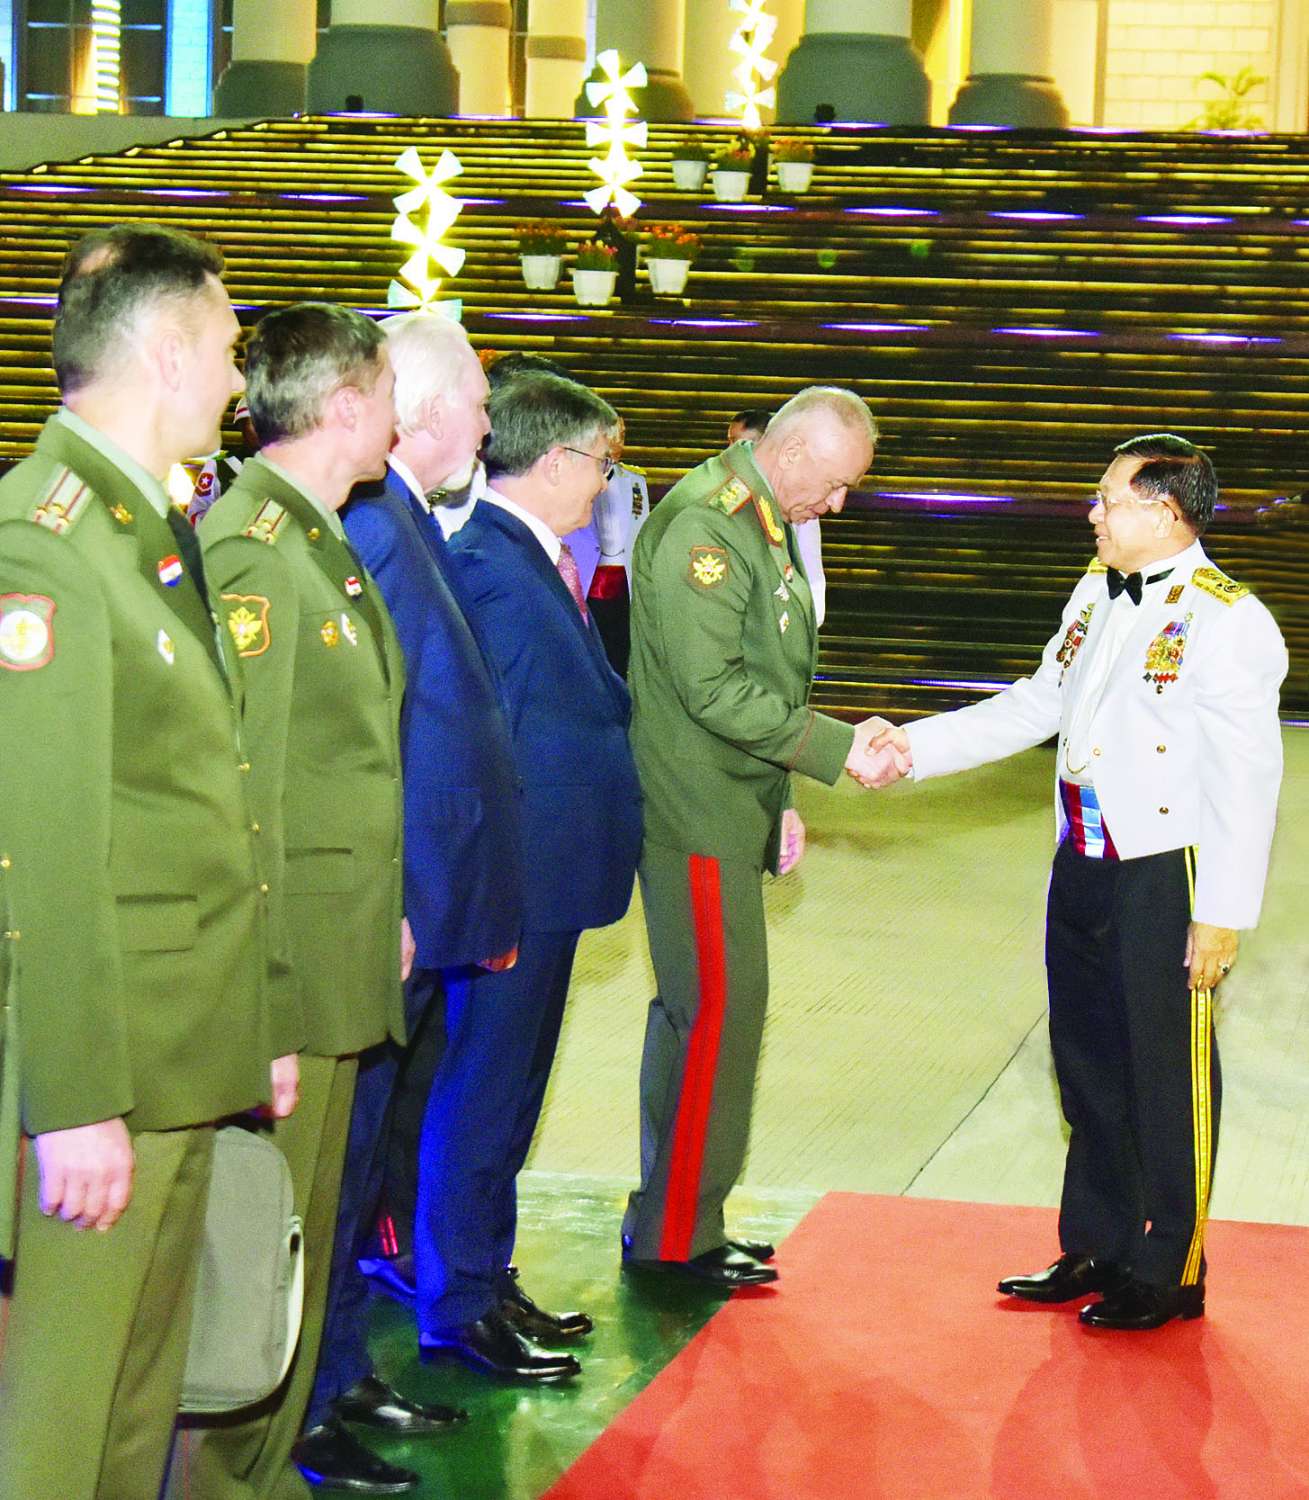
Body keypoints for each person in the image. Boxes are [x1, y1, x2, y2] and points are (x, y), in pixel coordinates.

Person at [0, 222, 298, 1499]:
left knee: (137, 1398)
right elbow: (44, 845)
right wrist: (72, 1098)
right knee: (63, 1418)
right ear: (168, 354)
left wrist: (249, 1028)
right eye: (228, 350)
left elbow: (195, 801)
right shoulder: (46, 539)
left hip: (176, 1044)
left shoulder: (146, 526)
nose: (237, 380)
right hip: (107, 1062)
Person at [877, 433, 1287, 1330]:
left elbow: (1247, 781)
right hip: (1083, 857)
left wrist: (1220, 914)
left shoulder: (1228, 620)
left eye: (1107, 499)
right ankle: (1096, 1243)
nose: (1091, 513)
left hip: (1165, 870)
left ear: (1164, 513)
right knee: (1088, 1059)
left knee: (1166, 1072)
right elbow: (1036, 703)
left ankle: (1170, 1269)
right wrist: (912, 748)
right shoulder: (1095, 590)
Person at [187, 304, 418, 1497]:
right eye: (389, 396)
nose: (400, 421)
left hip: (339, 950)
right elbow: (250, 797)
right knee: (258, 1248)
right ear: (344, 404)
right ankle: (233, 1472)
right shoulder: (255, 555)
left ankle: (274, 1465)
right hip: (292, 968)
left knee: (310, 1229)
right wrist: (266, 995)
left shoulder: (318, 539)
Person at [621, 386, 891, 1289]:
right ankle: (677, 1238)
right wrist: (839, 751)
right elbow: (715, 691)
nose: (838, 504)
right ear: (792, 451)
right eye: (836, 483)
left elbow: (770, 673)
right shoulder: (710, 524)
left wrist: (779, 800)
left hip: (730, 803)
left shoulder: (761, 517)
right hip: (694, 811)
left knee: (710, 1017)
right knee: (713, 1019)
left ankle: (677, 1218)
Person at [308, 311, 527, 1427]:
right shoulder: (373, 523)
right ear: (427, 409)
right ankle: (325, 1380)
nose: (487, 428)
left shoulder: (397, 513)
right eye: (479, 406)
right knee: (346, 1154)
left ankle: (341, 1369)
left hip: (424, 892)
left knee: (373, 1143)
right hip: (396, 895)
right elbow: (364, 733)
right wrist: (397, 895)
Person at [416, 370, 643, 1382]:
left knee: (512, 1094)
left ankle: (484, 1273)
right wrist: (489, 893)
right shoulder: (490, 568)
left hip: (548, 882)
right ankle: (458, 1301)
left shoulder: (531, 558)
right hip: (516, 886)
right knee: (484, 1090)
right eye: (601, 464)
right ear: (555, 461)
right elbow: (479, 746)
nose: (604, 484)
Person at [728, 407, 828, 627]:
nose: (731, 453)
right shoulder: (725, 495)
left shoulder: (793, 499)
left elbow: (810, 563)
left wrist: (810, 621)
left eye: (740, 444)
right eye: (729, 443)